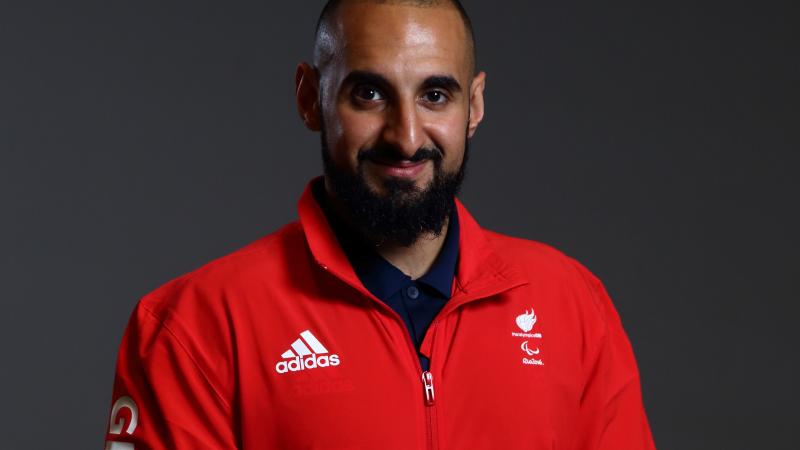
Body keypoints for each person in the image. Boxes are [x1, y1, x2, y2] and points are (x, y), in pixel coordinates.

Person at [104, 1, 656, 449]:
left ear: (475, 106)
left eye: (435, 95)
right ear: (309, 97)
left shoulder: (573, 305)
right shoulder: (192, 326)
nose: (407, 136)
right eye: (369, 93)